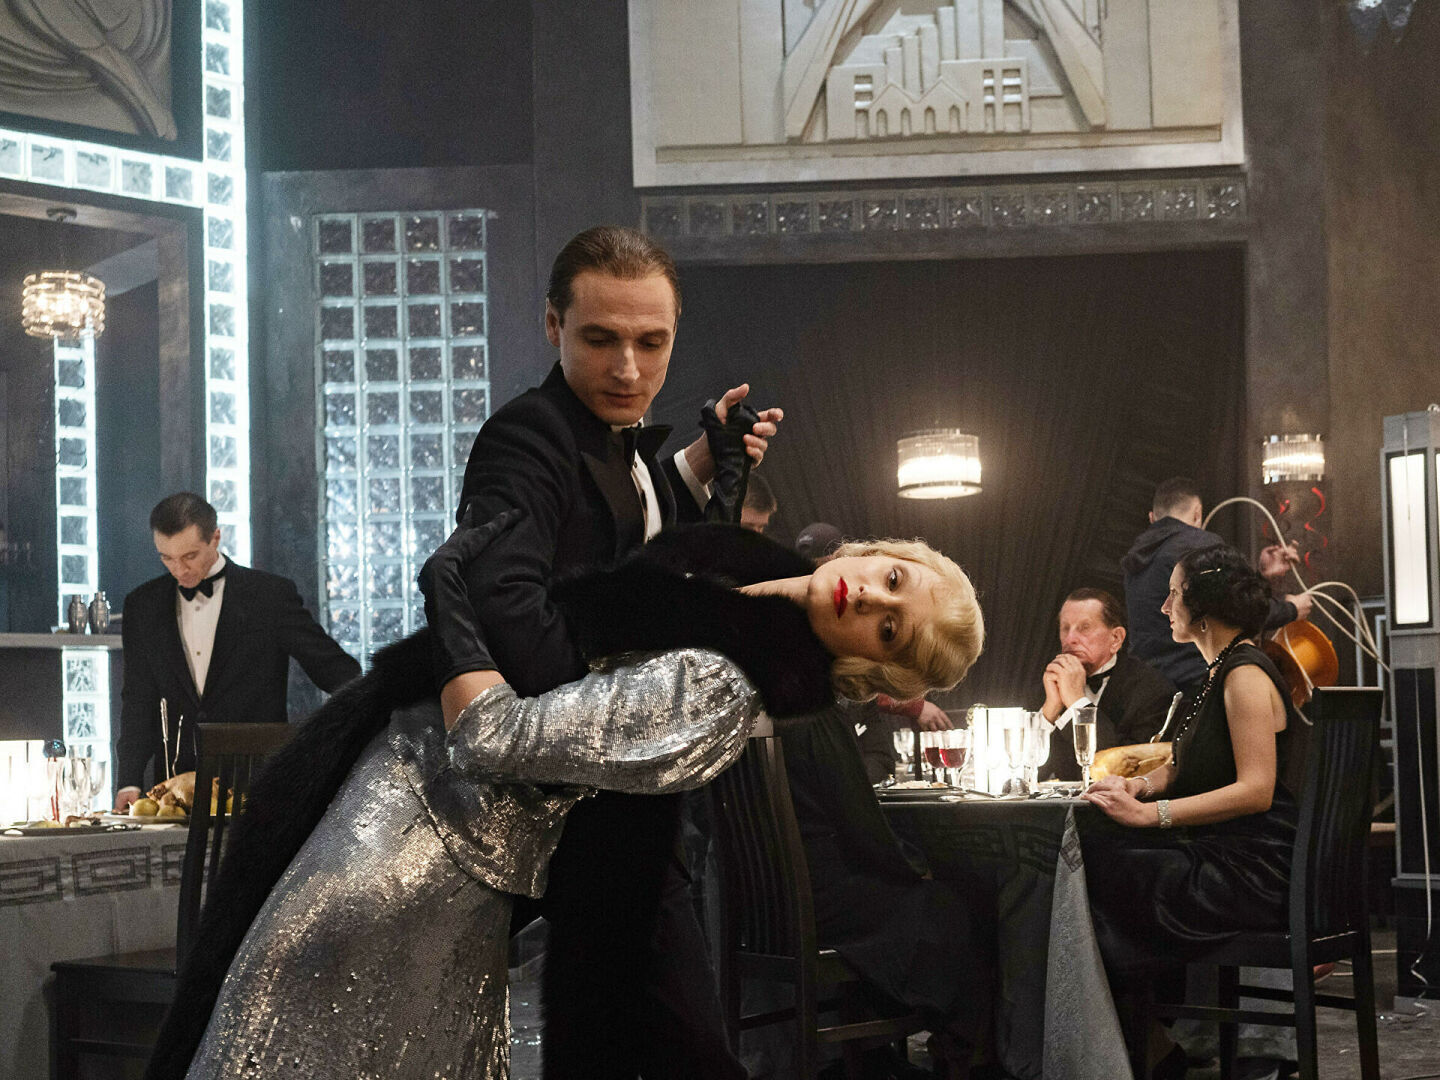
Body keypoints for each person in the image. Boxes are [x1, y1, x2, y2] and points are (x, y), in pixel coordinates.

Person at [145, 514, 985, 1080]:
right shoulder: (732, 583)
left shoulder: (722, 687)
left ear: (874, 666)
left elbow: (494, 736)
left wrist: (450, 600)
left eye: (888, 627)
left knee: (283, 1036)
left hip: (422, 856)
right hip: (386, 794)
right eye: (894, 578)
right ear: (878, 550)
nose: (871, 596)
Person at [452, 225, 785, 1079]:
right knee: (690, 1052)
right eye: (601, 339)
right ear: (552, 325)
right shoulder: (526, 436)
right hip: (578, 804)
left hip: (625, 800)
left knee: (599, 1041)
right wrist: (631, 720)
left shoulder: (611, 439)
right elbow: (508, 612)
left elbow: (628, 533)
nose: (629, 369)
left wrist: (704, 462)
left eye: (651, 342)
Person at [1078, 544, 1301, 1074]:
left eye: (1173, 594)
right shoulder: (1220, 670)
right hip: (1233, 856)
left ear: (1202, 609)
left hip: (1257, 870)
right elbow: (1182, 764)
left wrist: (1150, 816)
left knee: (1097, 877)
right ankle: (1147, 1043)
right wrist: (1138, 787)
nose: (1163, 607)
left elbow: (1256, 790)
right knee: (1096, 861)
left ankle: (1147, 1045)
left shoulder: (1245, 675)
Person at [113, 492, 359, 811]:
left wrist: (354, 734)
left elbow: (334, 671)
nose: (179, 570)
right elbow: (138, 700)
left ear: (215, 538)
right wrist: (129, 780)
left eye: (190, 556)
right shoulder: (143, 605)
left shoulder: (269, 596)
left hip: (257, 785)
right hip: (175, 790)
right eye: (167, 558)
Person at [1121, 477, 1313, 693]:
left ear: (1152, 518)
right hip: (1194, 683)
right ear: (1197, 513)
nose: (1167, 607)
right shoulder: (1200, 546)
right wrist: (1291, 609)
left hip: (1146, 687)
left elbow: (1215, 603)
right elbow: (1240, 610)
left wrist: (1261, 576)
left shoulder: (1137, 555)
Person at [1035, 588, 1176, 782]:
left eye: (1084, 628)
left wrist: (1077, 702)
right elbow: (1024, 773)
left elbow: (1127, 769)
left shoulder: (1152, 689)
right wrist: (1049, 711)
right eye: (1065, 628)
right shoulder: (1049, 680)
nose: (1069, 639)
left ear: (1116, 638)